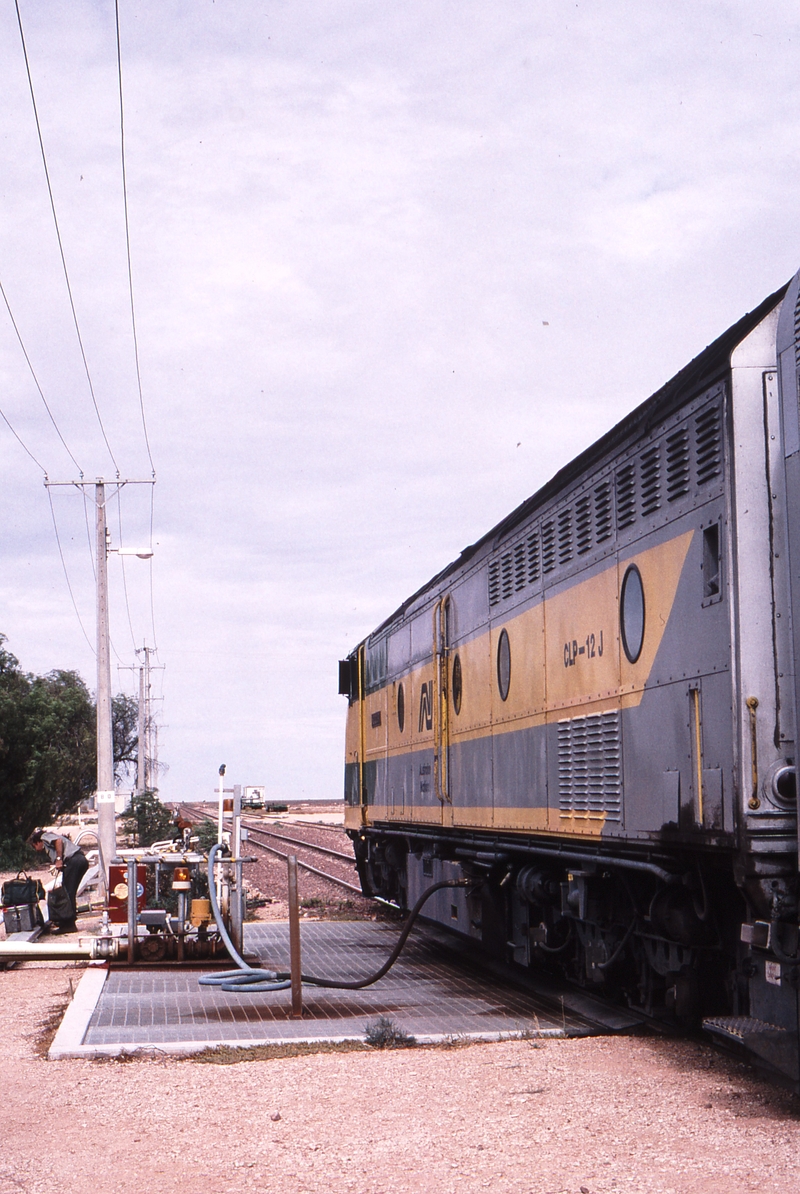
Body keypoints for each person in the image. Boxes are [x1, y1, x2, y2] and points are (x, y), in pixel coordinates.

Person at [27, 829, 89, 933]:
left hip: (74, 861)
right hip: (80, 860)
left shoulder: (44, 836)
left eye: (35, 847)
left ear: (37, 842)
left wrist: (59, 859)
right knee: (70, 891)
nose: (37, 850)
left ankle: (69, 925)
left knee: (67, 894)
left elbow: (58, 841)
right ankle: (67, 922)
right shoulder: (48, 841)